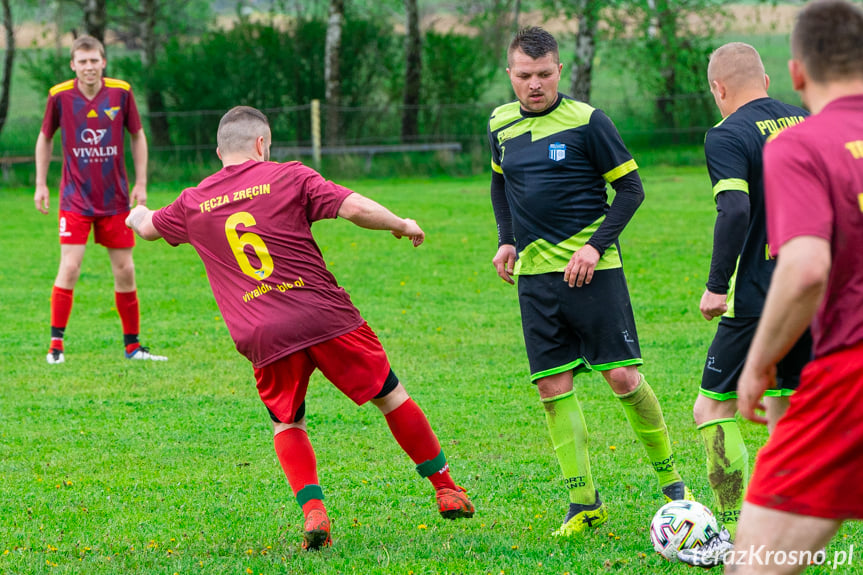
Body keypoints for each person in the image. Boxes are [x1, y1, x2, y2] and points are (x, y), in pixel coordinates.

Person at [125, 106, 475, 550]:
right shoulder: (289, 176)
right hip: (323, 315)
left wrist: (134, 214)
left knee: (287, 421)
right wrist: (401, 224)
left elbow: (150, 227)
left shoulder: (194, 201)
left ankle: (314, 511)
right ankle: (445, 488)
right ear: (261, 145)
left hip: (261, 332)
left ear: (219, 152)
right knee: (390, 396)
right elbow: (353, 208)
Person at [487, 26, 690, 537]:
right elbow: (499, 182)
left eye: (544, 74)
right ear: (509, 74)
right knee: (552, 388)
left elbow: (631, 190)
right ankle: (584, 504)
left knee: (621, 377)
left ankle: (674, 487)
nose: (535, 85)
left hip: (593, 274)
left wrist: (594, 246)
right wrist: (506, 238)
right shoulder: (500, 123)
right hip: (534, 279)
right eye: (524, 76)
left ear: (560, 70)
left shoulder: (588, 122)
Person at [725, 1, 863, 573]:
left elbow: (806, 268)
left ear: (797, 73)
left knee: (755, 563)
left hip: (850, 377)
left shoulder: (803, 144)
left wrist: (759, 364)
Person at [677, 43, 813, 568]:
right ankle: (791, 527)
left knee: (711, 408)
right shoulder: (803, 119)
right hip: (813, 289)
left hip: (759, 297)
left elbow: (734, 208)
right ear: (767, 76)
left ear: (718, 89)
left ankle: (737, 529)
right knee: (783, 411)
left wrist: (717, 285)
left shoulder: (726, 134)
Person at [34, 35, 165, 364]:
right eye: (82, 61)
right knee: (70, 267)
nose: (89, 67)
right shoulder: (59, 96)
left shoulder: (121, 92)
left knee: (125, 271)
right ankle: (55, 347)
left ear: (103, 62)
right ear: (73, 65)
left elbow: (137, 135)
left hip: (116, 200)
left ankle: (133, 347)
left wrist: (142, 182)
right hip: (75, 199)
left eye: (94, 61)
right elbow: (44, 138)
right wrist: (40, 184)